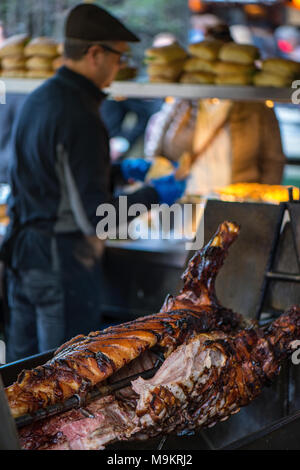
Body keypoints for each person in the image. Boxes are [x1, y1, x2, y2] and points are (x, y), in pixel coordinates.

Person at [1, 3, 186, 362]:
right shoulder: (80, 115)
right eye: (118, 56)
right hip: (61, 266)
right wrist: (153, 195)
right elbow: (98, 219)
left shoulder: (40, 98)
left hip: (23, 258)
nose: (120, 67)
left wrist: (117, 173)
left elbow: (48, 178)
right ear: (95, 53)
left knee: (21, 379)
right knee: (64, 380)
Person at [145, 25, 285, 195]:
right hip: (186, 200)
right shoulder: (182, 100)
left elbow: (273, 160)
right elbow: (156, 146)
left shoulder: (256, 107)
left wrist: (260, 201)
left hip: (236, 203)